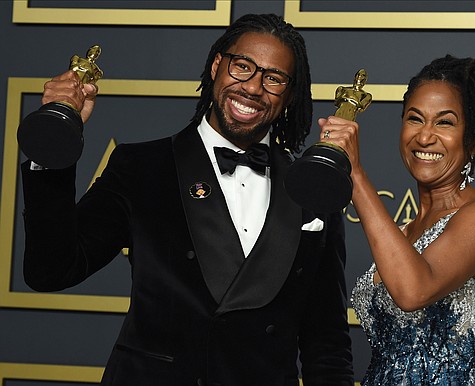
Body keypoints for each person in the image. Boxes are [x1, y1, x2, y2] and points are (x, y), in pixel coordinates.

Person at [20, 14, 354, 386]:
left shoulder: (313, 189)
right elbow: (51, 270)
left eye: (273, 78)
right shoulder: (142, 167)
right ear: (216, 66)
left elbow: (327, 346)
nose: (253, 88)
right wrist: (51, 146)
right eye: (242, 66)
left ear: (289, 94)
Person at [318, 55, 475, 385]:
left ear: (471, 138)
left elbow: (413, 292)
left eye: (444, 122)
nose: (425, 137)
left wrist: (354, 173)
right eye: (415, 119)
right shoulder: (402, 233)